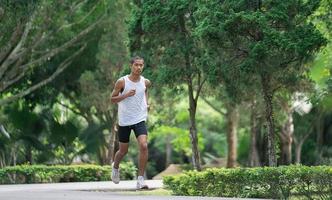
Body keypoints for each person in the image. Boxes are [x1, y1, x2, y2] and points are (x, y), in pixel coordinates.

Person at [110, 56, 151, 189]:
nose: (139, 67)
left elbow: (145, 91)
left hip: (139, 118)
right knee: (123, 151)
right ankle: (115, 167)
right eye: (136, 65)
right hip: (125, 120)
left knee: (144, 146)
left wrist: (147, 103)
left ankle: (140, 180)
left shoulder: (145, 82)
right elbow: (112, 99)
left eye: (141, 65)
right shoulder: (122, 82)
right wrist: (125, 95)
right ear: (131, 66)